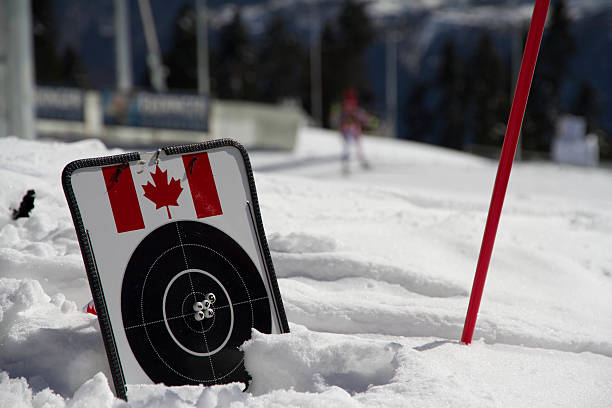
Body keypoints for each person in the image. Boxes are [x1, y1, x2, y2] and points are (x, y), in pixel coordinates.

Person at [337, 88, 371, 174]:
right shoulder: (344, 112)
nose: (350, 105)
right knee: (347, 148)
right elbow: (340, 121)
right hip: (347, 131)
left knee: (357, 147)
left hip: (354, 130)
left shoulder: (355, 111)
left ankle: (361, 161)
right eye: (348, 102)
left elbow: (363, 117)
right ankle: (346, 165)